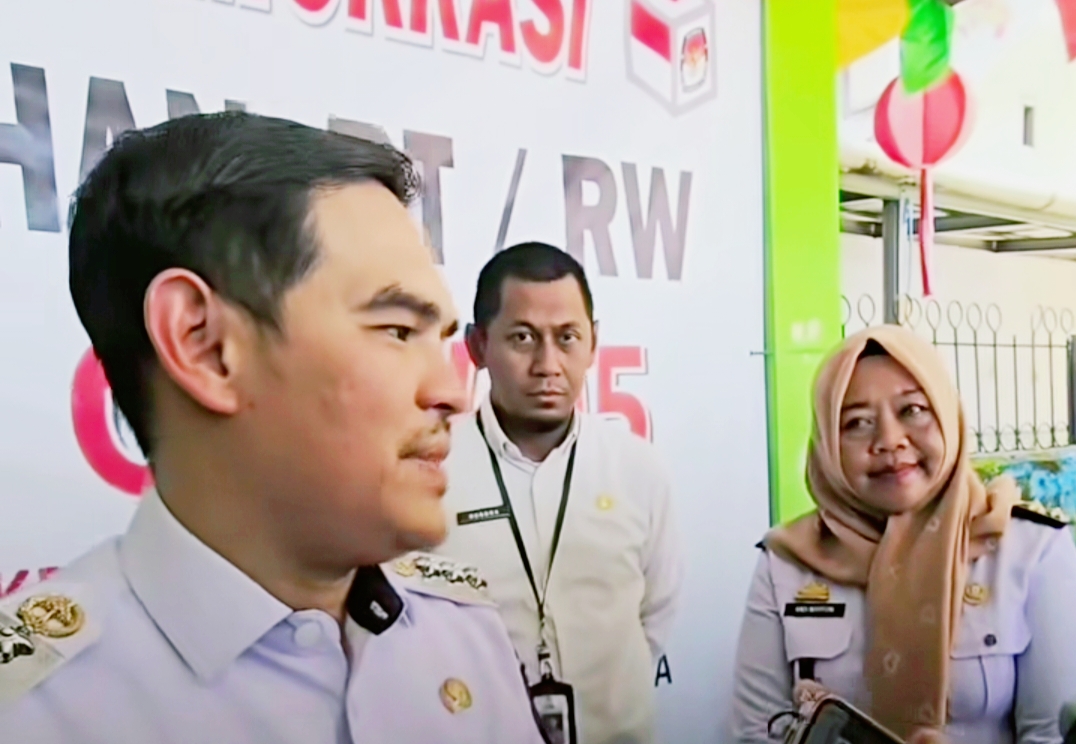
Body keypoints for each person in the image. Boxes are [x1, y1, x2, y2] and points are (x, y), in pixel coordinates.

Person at [0, 112, 549, 744]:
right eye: (398, 330)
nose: (454, 393)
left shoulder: (466, 634)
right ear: (203, 345)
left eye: (442, 339)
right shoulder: (34, 712)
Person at [730, 325, 1076, 744]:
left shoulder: (1031, 551)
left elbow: (1053, 734)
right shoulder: (786, 563)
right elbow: (755, 734)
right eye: (857, 422)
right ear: (826, 444)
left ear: (947, 415)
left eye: (912, 410)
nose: (890, 441)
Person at [433, 242, 683, 744]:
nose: (548, 364)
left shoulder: (638, 469)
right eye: (523, 338)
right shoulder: (433, 470)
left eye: (567, 338)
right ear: (478, 347)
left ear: (593, 343)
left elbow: (655, 615)